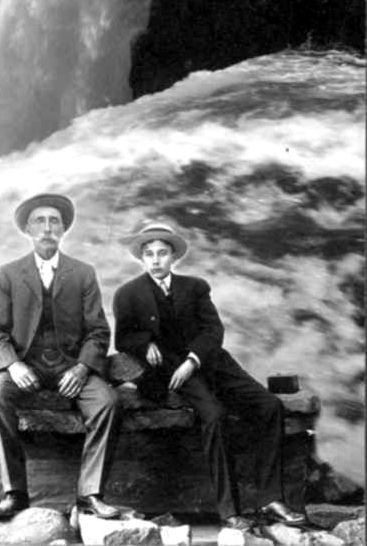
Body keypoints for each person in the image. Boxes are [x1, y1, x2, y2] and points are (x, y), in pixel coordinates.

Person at [113, 222, 306, 531]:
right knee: (214, 416)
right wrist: (145, 343)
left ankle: (271, 499)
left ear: (174, 256)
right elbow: (123, 338)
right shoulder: (128, 293)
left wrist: (193, 360)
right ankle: (230, 512)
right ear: (141, 258)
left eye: (162, 253)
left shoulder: (195, 287)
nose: (156, 260)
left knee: (270, 406)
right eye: (149, 254)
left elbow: (213, 330)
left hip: (210, 362)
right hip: (170, 371)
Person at [0, 193, 133, 521]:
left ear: (63, 230)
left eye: (54, 221)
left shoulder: (82, 273)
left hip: (70, 365)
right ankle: (14, 493)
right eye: (40, 221)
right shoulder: (9, 274)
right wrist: (13, 365)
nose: (47, 228)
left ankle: (90, 494)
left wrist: (82, 368)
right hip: (25, 364)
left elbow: (98, 331)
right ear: (27, 230)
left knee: (107, 402)